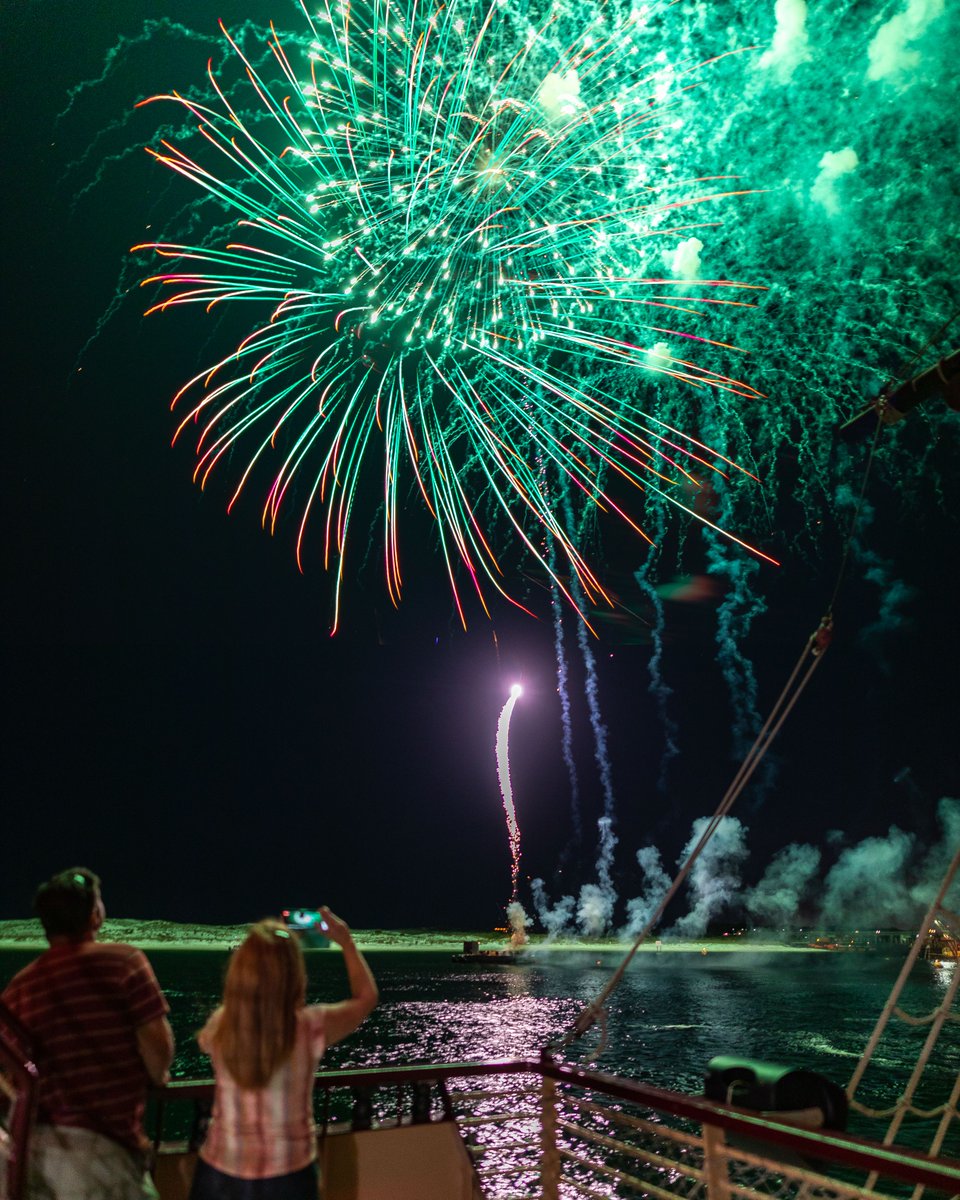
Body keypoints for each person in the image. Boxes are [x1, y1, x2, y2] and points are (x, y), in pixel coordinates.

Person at [1, 866, 174, 1199]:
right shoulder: (124, 962)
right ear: (95, 914)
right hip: (102, 1154)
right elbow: (157, 1050)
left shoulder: (20, 987)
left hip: (34, 1153)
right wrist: (157, 1075)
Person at [189, 907, 378, 1200]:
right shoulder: (311, 1026)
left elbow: (207, 1041)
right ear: (294, 973)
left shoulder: (221, 1023)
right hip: (289, 1173)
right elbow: (366, 998)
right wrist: (346, 941)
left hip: (221, 1170)